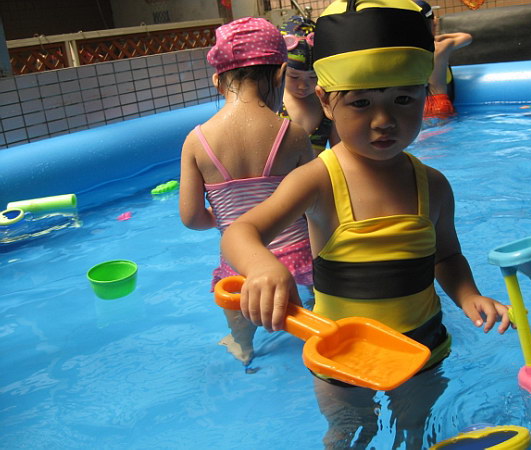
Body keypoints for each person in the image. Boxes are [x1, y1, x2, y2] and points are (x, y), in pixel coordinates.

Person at [221, 1, 510, 447]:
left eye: (403, 99)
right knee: (350, 430)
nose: (384, 120)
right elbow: (241, 232)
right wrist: (262, 266)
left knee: (416, 428)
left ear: (425, 94)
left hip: (421, 348)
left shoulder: (433, 184)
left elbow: (447, 255)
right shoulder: (318, 180)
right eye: (360, 102)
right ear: (326, 102)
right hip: (340, 354)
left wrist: (469, 294)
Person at [178, 17, 314, 367]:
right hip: (300, 255)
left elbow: (191, 217)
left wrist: (223, 218)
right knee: (315, 309)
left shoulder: (196, 141)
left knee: (237, 304)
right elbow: (316, 200)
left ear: (217, 80)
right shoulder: (293, 134)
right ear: (281, 74)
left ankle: (242, 345)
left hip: (239, 261)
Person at [278, 15, 340, 154]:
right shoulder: (273, 101)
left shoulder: (327, 103)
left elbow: (339, 151)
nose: (303, 85)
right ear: (281, 70)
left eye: (313, 77)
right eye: (294, 76)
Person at [415, 0, 472, 120]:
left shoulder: (411, 50)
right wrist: (439, 36)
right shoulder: (442, 46)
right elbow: (467, 37)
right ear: (434, 22)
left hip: (421, 105)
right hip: (440, 102)